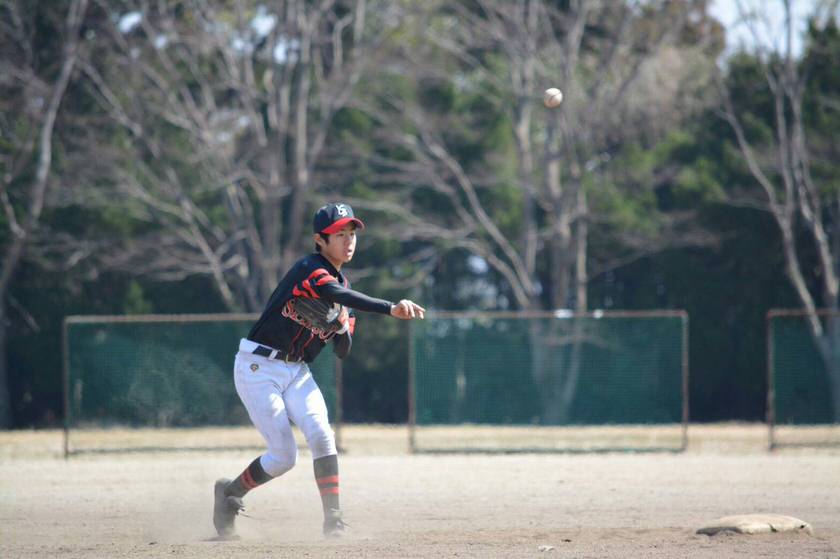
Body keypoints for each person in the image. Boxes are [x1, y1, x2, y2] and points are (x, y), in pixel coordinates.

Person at [213, 202, 425, 540]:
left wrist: (340, 328)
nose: (348, 240)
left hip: (296, 371)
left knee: (323, 435)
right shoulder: (309, 269)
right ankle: (229, 493)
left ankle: (334, 522)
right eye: (339, 234)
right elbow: (332, 291)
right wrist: (389, 307)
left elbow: (343, 351)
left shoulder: (343, 292)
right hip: (258, 367)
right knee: (284, 456)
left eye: (351, 233)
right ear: (320, 240)